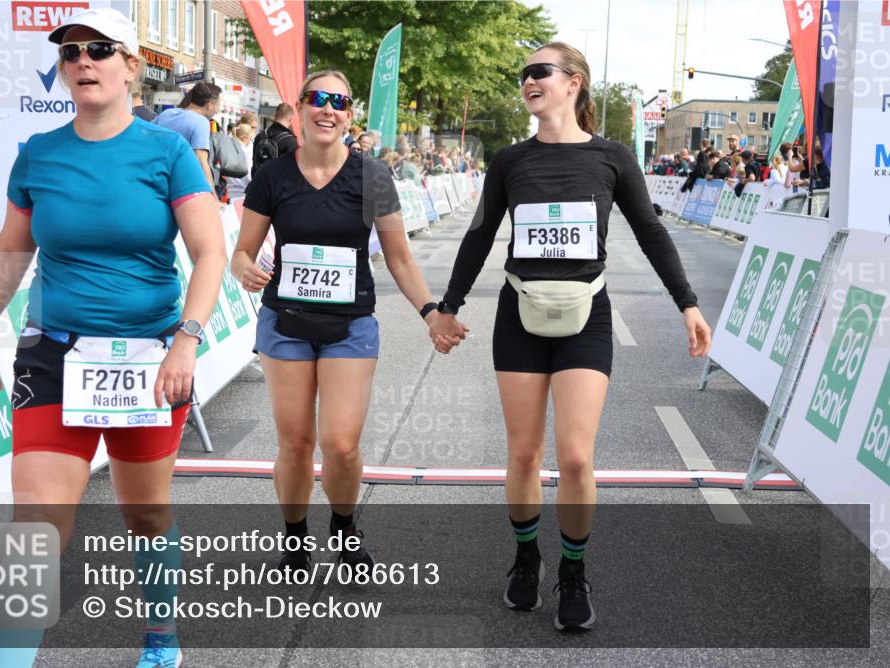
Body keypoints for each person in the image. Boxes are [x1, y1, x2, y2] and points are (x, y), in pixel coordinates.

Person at [0, 9, 225, 667]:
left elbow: (210, 252)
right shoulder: (40, 153)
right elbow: (11, 251)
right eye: (71, 52)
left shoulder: (167, 152)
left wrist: (187, 340)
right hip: (52, 355)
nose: (83, 60)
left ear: (131, 66)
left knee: (146, 516)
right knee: (37, 522)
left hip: (149, 356)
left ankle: (161, 638)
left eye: (100, 50)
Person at [430, 41, 711, 632]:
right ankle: (526, 557)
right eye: (524, 74)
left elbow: (651, 231)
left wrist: (687, 303)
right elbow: (479, 235)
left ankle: (574, 570)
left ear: (574, 82)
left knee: (578, 457)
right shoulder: (510, 161)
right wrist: (447, 307)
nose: (528, 81)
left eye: (540, 71)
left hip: (588, 314)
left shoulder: (612, 157)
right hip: (520, 313)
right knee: (524, 453)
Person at [230, 70, 465, 580]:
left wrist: (431, 312)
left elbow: (399, 258)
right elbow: (241, 251)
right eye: (317, 99)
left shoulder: (372, 175)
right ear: (299, 107)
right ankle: (295, 540)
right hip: (285, 322)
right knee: (295, 443)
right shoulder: (272, 176)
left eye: (338, 102)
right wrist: (244, 268)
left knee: (340, 444)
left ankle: (342, 527)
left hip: (351, 324)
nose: (327, 109)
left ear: (349, 115)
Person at [153, 81, 221, 188]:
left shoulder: (166, 114)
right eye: (218, 105)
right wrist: (212, 193)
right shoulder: (201, 122)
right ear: (209, 105)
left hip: (155, 178)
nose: (218, 110)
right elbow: (200, 161)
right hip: (179, 185)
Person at [251, 102, 297, 177]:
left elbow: (254, 165)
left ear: (275, 115)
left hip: (257, 181)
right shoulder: (290, 141)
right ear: (290, 119)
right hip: (277, 183)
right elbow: (292, 172)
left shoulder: (260, 136)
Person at [225, 122, 254, 199]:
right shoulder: (248, 150)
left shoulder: (228, 147)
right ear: (245, 137)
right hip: (244, 193)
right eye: (250, 138)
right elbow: (249, 173)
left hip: (230, 192)